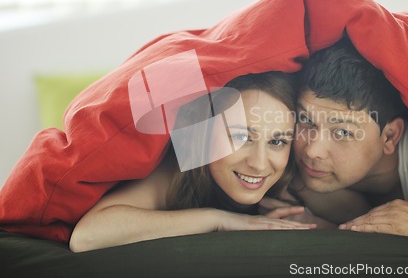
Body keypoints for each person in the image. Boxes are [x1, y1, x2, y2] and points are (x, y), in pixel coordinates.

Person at [261, 36, 408, 253]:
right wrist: (323, 226)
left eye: (342, 132)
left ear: (389, 137)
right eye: (306, 120)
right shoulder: (294, 174)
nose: (312, 149)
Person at [69, 71, 316, 253]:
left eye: (277, 142)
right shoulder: (179, 170)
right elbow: (86, 237)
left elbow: (348, 214)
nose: (260, 164)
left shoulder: (290, 174)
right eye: (241, 137)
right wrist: (218, 220)